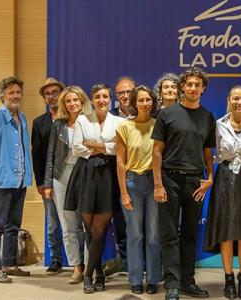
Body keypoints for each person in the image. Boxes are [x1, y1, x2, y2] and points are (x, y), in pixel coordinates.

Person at [152, 67, 215, 300]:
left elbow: (208, 152)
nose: (193, 88)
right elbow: (156, 152)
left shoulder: (208, 117)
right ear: (182, 87)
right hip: (169, 179)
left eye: (197, 85)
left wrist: (210, 177)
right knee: (170, 235)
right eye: (189, 84)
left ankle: (188, 281)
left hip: (195, 182)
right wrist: (158, 184)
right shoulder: (166, 115)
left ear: (203, 89)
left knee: (190, 234)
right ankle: (172, 284)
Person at [203, 85, 241, 299]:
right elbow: (210, 152)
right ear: (228, 99)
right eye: (235, 98)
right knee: (226, 231)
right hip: (225, 178)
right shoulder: (218, 124)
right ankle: (228, 278)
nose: (239, 102)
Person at [70, 84, 124, 293]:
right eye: (97, 97)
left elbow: (118, 148)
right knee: (89, 230)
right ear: (92, 99)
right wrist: (103, 146)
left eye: (105, 96)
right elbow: (77, 148)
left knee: (100, 229)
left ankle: (87, 276)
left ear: (110, 99)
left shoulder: (119, 121)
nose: (101, 100)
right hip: (87, 175)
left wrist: (93, 144)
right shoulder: (83, 119)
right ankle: (99, 272)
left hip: (108, 176)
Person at [44, 86, 92, 284]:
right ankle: (76, 267)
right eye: (68, 101)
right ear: (64, 104)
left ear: (82, 102)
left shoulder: (91, 122)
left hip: (85, 176)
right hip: (61, 178)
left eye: (76, 100)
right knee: (67, 226)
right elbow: (50, 155)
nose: (73, 104)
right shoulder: (59, 125)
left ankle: (90, 267)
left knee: (87, 225)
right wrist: (48, 183)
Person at [116, 85, 161, 295]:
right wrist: (123, 192)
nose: (145, 103)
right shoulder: (124, 127)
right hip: (133, 182)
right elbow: (119, 161)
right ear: (134, 103)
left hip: (154, 182)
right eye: (141, 100)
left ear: (153, 102)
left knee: (153, 234)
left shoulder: (159, 125)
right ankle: (135, 278)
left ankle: (152, 279)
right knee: (135, 234)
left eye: (148, 100)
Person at [0, 76, 32, 283]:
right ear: (3, 96)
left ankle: (9, 263)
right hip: (2, 181)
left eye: (18, 92)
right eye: (11, 93)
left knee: (13, 225)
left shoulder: (23, 118)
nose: (16, 96)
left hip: (20, 180)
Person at [32, 77, 66, 275]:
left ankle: (77, 260)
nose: (52, 96)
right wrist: (39, 182)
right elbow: (36, 154)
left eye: (55, 92)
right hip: (48, 181)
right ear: (44, 98)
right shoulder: (39, 123)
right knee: (53, 223)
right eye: (48, 94)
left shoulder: (72, 118)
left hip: (70, 180)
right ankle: (55, 259)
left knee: (73, 222)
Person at [104, 76, 136, 275]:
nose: (125, 96)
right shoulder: (109, 117)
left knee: (142, 222)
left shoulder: (145, 112)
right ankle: (124, 260)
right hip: (116, 176)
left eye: (128, 91)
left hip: (142, 175)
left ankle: (141, 261)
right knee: (120, 220)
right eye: (121, 93)